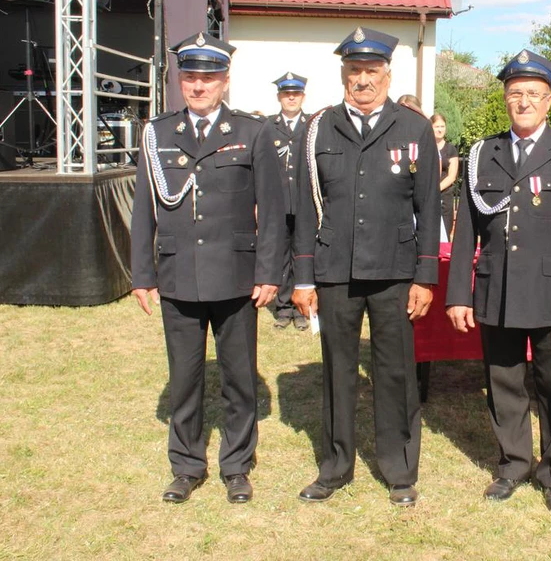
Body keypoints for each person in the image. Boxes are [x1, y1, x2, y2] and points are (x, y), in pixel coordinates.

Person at [130, 32, 285, 504]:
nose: (199, 86)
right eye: (191, 77)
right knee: (185, 377)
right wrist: (142, 275)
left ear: (225, 80)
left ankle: (236, 465)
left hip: (237, 277)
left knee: (239, 377)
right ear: (180, 81)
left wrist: (269, 273)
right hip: (179, 275)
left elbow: (273, 211)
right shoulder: (157, 134)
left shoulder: (252, 132)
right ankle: (186, 465)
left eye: (208, 78)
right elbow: (143, 211)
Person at [445, 49, 551, 513]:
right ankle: (513, 463)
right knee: (503, 382)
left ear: (549, 101)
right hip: (497, 288)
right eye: (516, 94)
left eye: (533, 94)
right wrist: (458, 294)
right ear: (505, 99)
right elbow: (466, 230)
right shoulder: (481, 156)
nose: (524, 102)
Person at [291, 27, 441, 507]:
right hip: (335, 270)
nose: (362, 79)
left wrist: (425, 276)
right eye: (354, 70)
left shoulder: (413, 127)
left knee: (395, 371)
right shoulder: (319, 127)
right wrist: (303, 276)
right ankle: (336, 467)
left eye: (371, 71)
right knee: (337, 370)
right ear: (342, 74)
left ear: (387, 74)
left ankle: (399, 471)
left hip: (395, 272)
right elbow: (304, 207)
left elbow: (429, 207)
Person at [264, 72, 311, 330]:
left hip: (304, 204)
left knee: (302, 254)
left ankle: (302, 308)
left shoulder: (313, 124)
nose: (291, 98)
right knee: (280, 255)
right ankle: (283, 307)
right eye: (286, 94)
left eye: (295, 94)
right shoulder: (268, 127)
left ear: (303, 96)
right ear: (279, 97)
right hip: (278, 203)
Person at [432, 112, 459, 237]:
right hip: (427, 197)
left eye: (442, 126)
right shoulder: (426, 148)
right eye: (437, 126)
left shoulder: (451, 149)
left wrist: (435, 189)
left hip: (444, 197)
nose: (440, 130)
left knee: (444, 235)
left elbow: (452, 176)